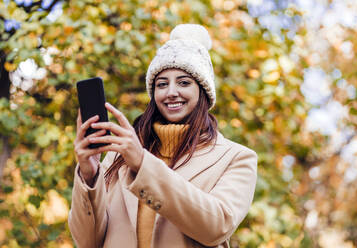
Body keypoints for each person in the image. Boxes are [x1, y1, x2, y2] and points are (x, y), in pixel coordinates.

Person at [68, 24, 257, 248]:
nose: (171, 92)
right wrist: (89, 175)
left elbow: (216, 227)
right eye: (162, 84)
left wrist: (142, 164)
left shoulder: (237, 158)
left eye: (184, 82)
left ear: (203, 91)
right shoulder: (118, 158)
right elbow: (86, 242)